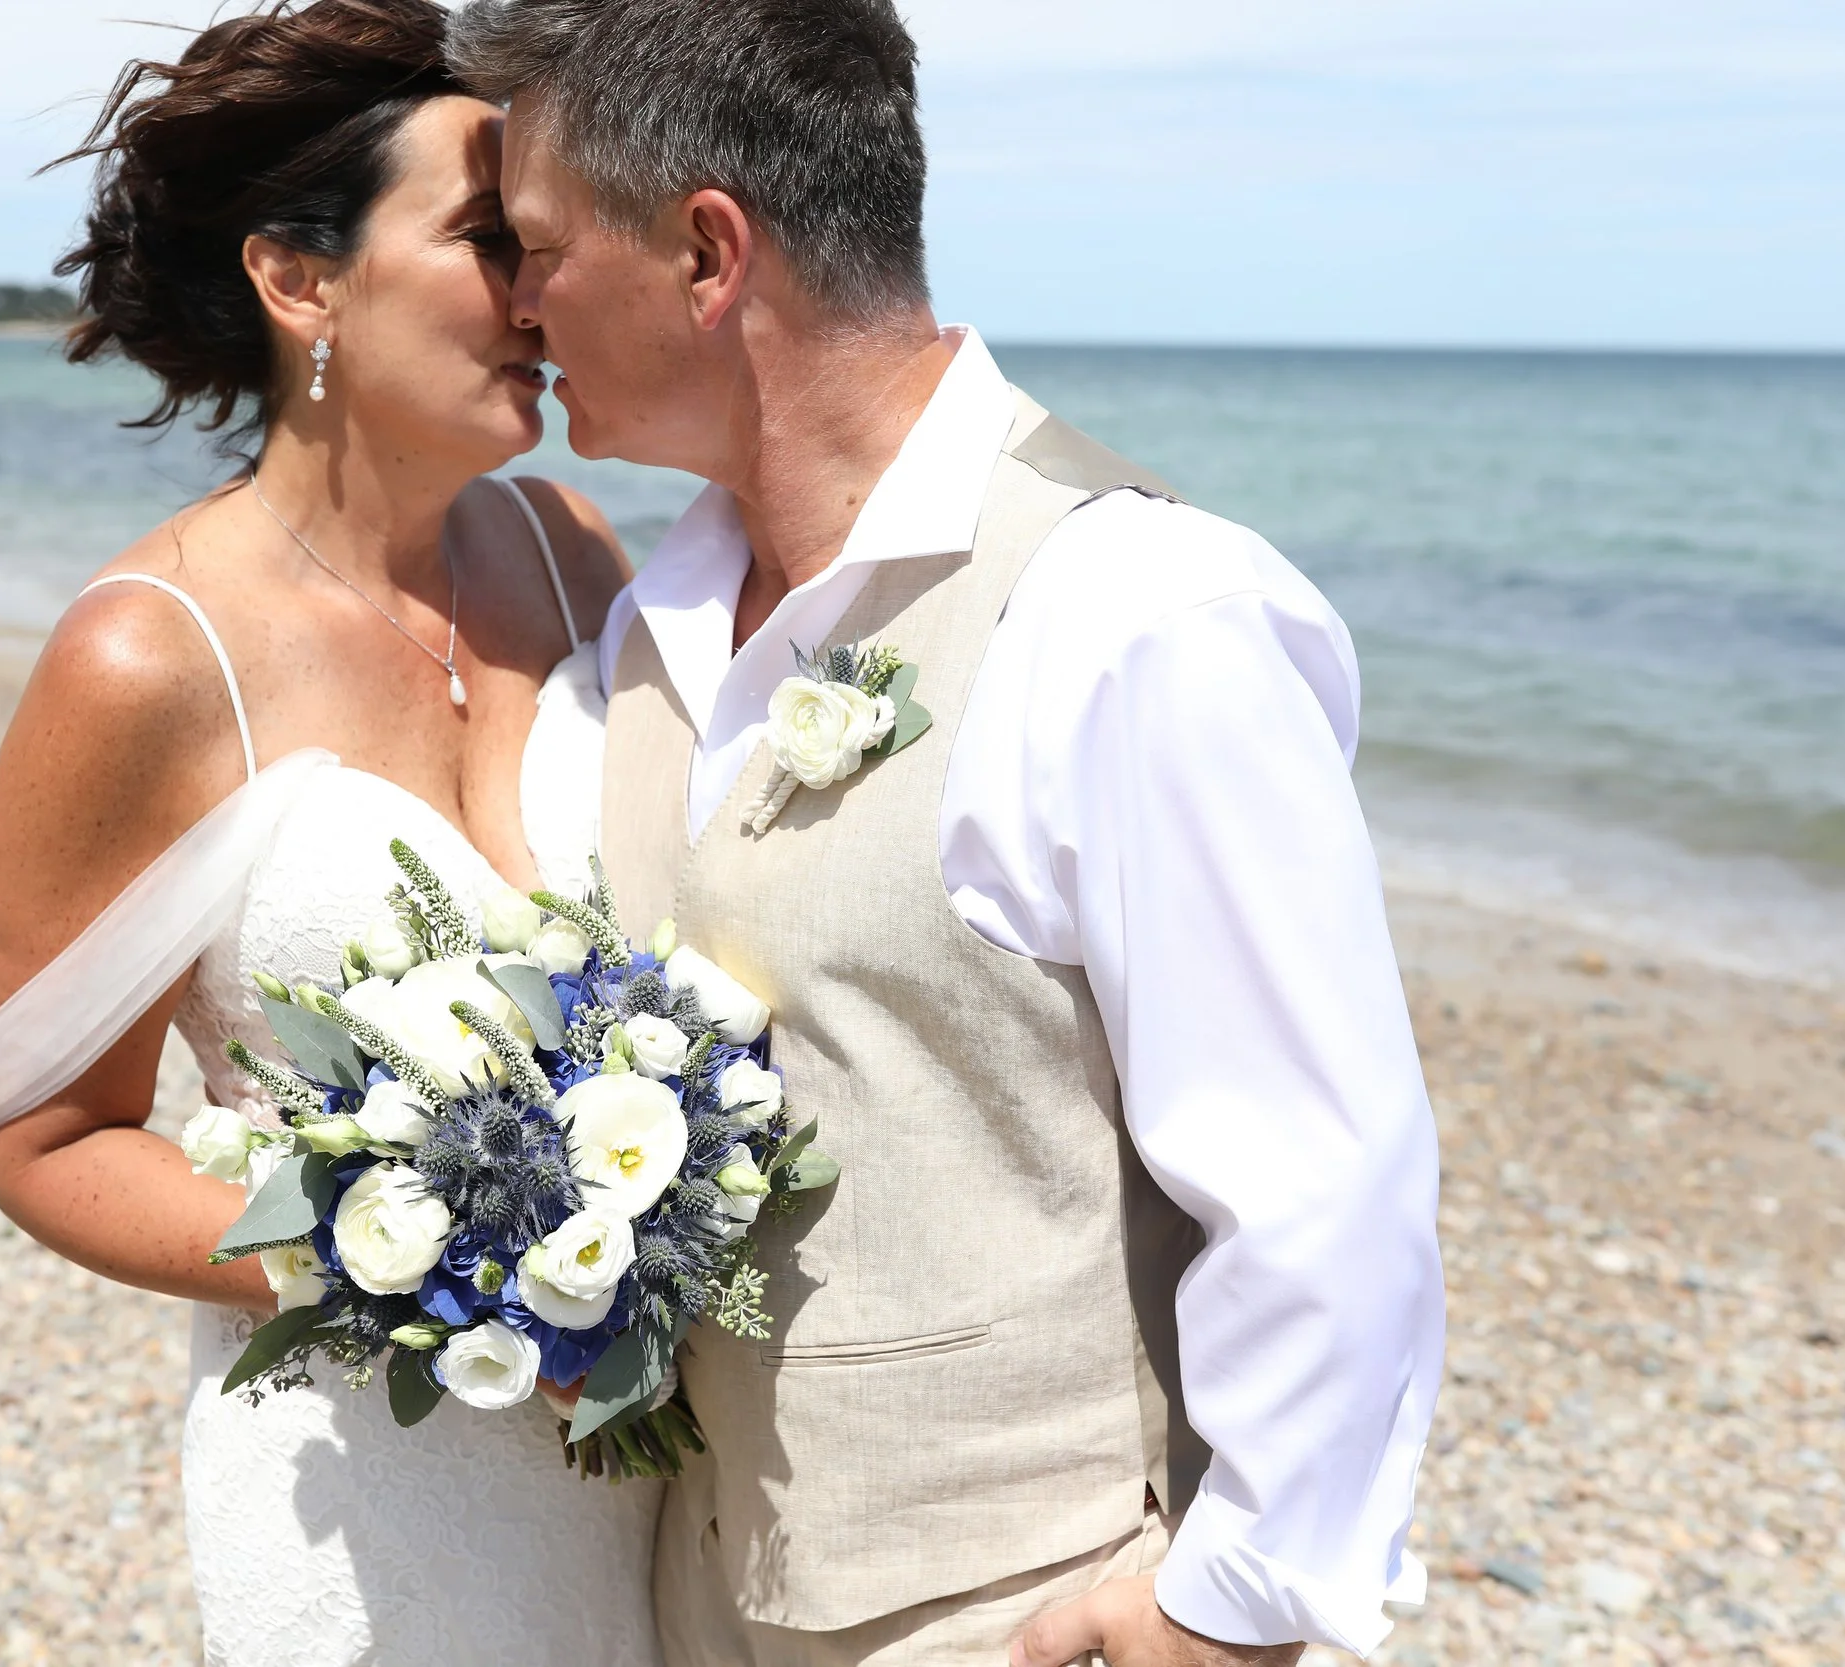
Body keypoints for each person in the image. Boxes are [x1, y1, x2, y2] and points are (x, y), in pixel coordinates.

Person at [445, 1, 1448, 1663]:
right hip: (692, 1601)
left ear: (708, 254)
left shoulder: (1138, 608)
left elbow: (1320, 1172)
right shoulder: (650, 631)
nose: (518, 298)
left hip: (1031, 1609)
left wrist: (1239, 1601)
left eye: (540, 245)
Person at [0, 3, 662, 1661]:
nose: (545, 287)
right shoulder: (142, 658)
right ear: (301, 280)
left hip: (652, 1466)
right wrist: (384, 1254)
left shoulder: (573, 551)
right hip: (368, 1493)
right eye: (491, 240)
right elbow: (45, 1146)